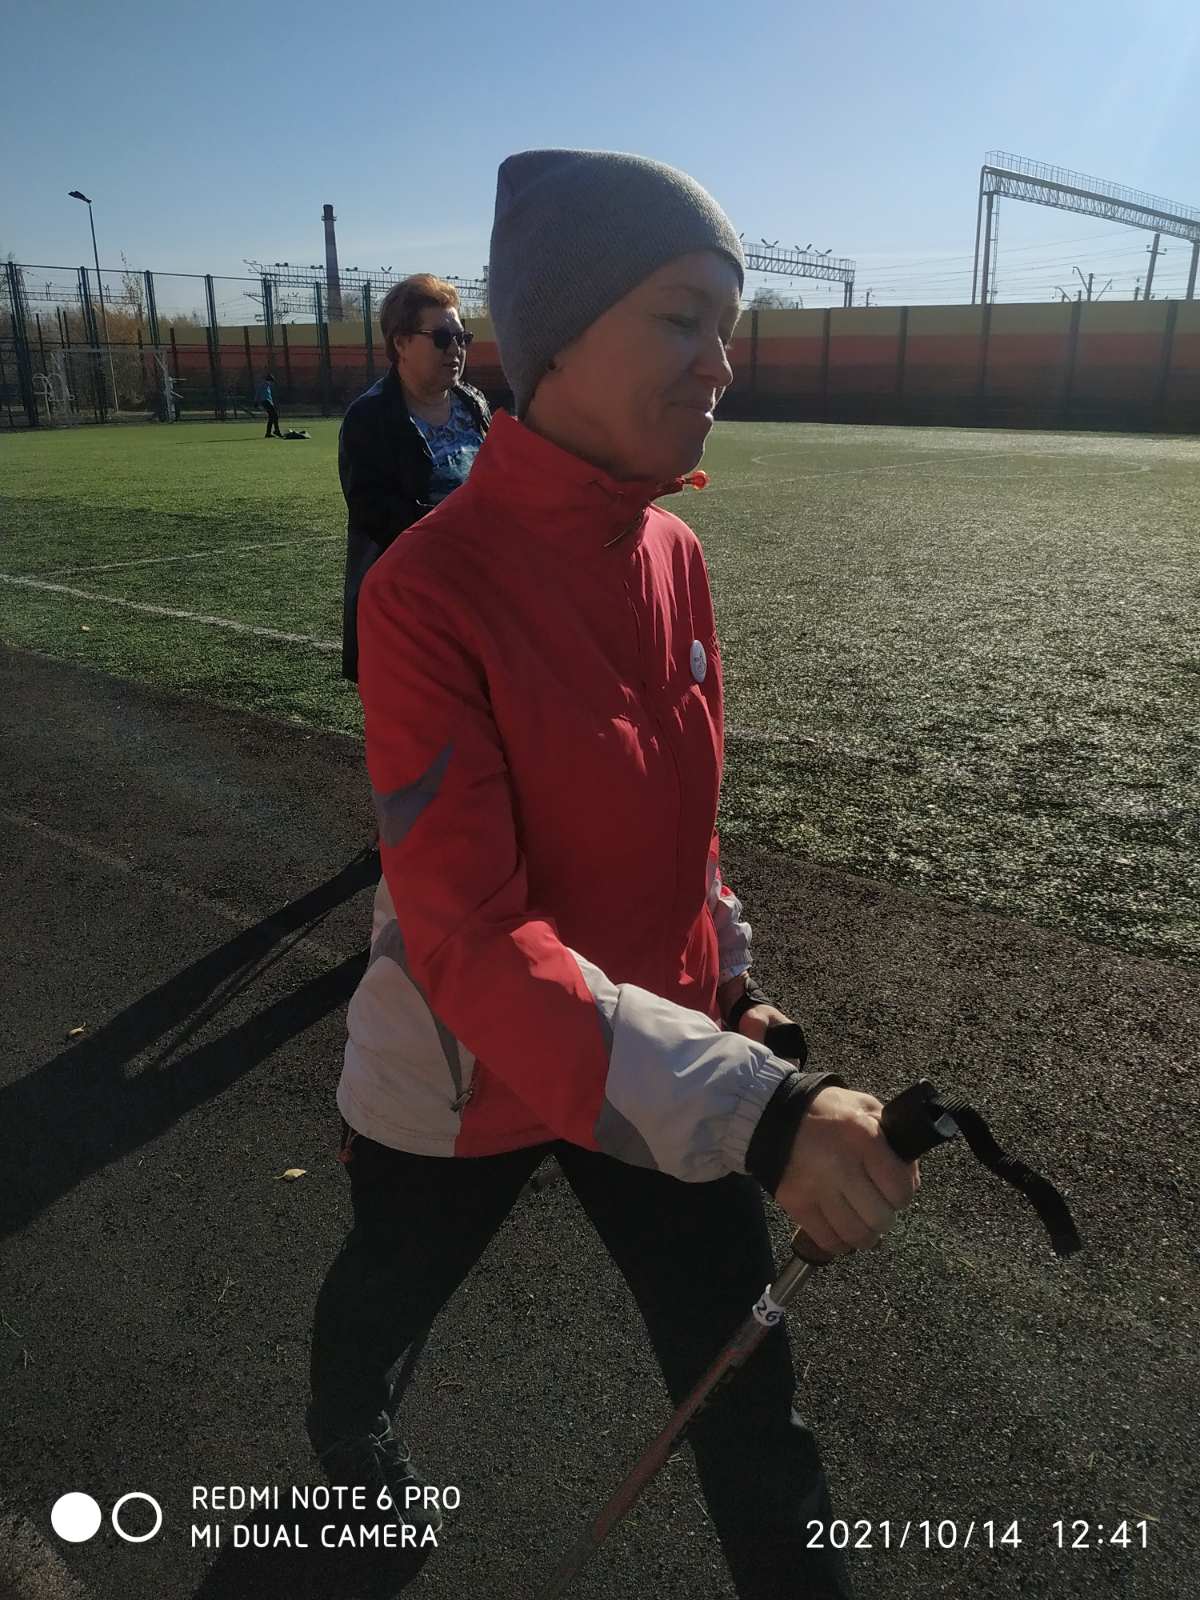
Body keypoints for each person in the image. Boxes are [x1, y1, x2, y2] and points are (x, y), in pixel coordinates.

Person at [305, 149, 919, 1600]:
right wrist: (770, 1118)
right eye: (682, 317)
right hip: (461, 1074)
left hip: (666, 1069)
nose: (722, 361)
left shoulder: (678, 556)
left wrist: (737, 993)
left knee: (752, 1408)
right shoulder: (424, 591)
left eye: (729, 324)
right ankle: (354, 1462)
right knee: (380, 1305)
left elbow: (684, 829)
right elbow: (468, 933)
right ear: (558, 335)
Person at [337, 275, 491, 685]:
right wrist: (463, 534)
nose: (455, 349)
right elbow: (377, 514)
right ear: (401, 343)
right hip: (409, 607)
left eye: (461, 337)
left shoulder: (473, 404)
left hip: (479, 599)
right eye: (441, 338)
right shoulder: (370, 418)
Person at [255, 370, 283, 437]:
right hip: (265, 401)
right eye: (271, 381)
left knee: (271, 417)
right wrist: (256, 401)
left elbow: (268, 395)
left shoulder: (267, 386)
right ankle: (277, 431)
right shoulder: (263, 385)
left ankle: (268, 433)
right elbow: (258, 393)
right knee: (275, 415)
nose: (271, 383)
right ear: (269, 380)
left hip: (267, 402)